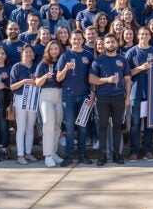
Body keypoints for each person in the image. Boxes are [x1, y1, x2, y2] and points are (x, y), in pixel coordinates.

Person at [90, 33, 133, 165]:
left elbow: (127, 80)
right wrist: (106, 80)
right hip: (102, 97)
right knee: (103, 127)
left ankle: (117, 154)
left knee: (117, 127)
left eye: (112, 42)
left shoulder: (123, 59)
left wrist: (127, 98)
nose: (110, 44)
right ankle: (102, 154)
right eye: (107, 42)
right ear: (104, 44)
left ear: (116, 43)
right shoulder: (98, 60)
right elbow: (91, 79)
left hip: (119, 97)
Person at [126, 27, 153, 162]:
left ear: (150, 36)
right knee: (135, 124)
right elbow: (126, 74)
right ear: (137, 36)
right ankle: (134, 152)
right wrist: (141, 68)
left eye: (146, 34)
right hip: (136, 93)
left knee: (149, 124)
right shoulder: (131, 52)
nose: (144, 36)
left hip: (151, 94)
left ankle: (148, 151)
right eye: (141, 34)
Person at [58, 30, 95, 165]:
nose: (77, 41)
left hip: (84, 96)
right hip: (69, 96)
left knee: (83, 127)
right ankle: (68, 156)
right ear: (70, 40)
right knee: (68, 128)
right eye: (74, 39)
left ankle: (82, 155)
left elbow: (92, 77)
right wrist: (65, 69)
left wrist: (93, 93)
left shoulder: (89, 56)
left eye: (79, 39)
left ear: (83, 40)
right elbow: (58, 78)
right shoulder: (65, 56)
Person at [33, 40, 64, 167]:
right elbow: (37, 83)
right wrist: (45, 76)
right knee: (48, 124)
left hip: (60, 94)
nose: (54, 51)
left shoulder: (62, 62)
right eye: (51, 49)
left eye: (56, 49)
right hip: (46, 94)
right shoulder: (43, 64)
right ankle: (47, 155)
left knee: (57, 125)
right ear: (48, 50)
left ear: (59, 50)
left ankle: (54, 152)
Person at [10, 45, 39, 165]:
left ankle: (28, 152)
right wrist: (24, 81)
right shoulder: (16, 67)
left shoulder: (37, 67)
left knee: (30, 127)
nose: (28, 54)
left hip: (33, 99)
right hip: (21, 98)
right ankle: (20, 154)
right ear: (22, 54)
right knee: (21, 128)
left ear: (33, 54)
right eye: (25, 52)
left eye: (30, 52)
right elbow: (12, 87)